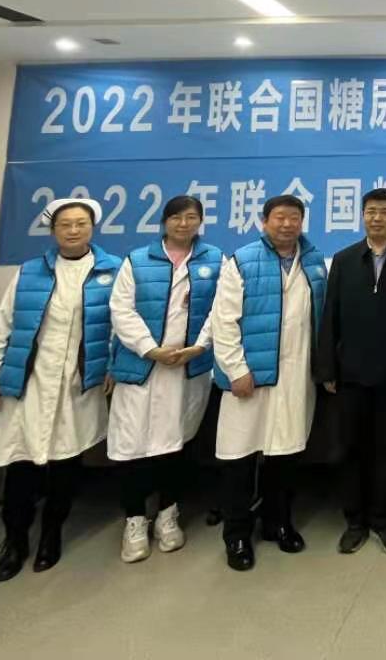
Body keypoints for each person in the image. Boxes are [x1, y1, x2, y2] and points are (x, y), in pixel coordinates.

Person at [0, 198, 122, 582]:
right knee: (21, 464)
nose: (73, 230)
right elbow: (3, 327)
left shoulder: (113, 270)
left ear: (92, 228)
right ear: (53, 230)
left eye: (80, 224)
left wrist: (111, 365)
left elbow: (121, 327)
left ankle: (52, 533)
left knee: (66, 464)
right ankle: (14, 540)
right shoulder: (30, 272)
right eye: (65, 225)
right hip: (30, 382)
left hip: (78, 383)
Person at [211, 193, 327, 571]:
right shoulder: (242, 261)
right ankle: (236, 534)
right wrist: (236, 370)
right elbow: (223, 321)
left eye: (294, 218)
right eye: (279, 217)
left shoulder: (313, 261)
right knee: (240, 458)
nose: (287, 224)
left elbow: (323, 318)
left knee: (285, 456)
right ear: (264, 221)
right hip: (251, 378)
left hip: (296, 376)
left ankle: (278, 523)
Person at [107, 194, 221, 563]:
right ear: (164, 221)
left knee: (177, 444)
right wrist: (149, 349)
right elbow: (121, 311)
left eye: (191, 217)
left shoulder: (215, 260)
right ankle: (134, 519)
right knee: (131, 447)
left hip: (188, 367)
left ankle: (168, 515)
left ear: (200, 221)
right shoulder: (137, 260)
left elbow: (221, 310)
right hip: (142, 366)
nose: (183, 224)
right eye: (176, 217)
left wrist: (199, 346)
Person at [317, 188, 386, 557]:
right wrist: (327, 367)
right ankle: (355, 522)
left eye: (384, 212)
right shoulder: (345, 260)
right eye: (370, 211)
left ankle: (385, 520)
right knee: (350, 449)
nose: (376, 218)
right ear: (362, 216)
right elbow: (331, 316)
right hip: (351, 374)